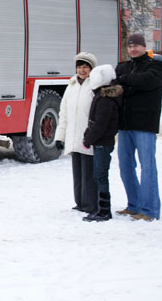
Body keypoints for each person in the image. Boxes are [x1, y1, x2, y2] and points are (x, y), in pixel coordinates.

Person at [115, 33, 162, 221]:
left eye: (137, 45)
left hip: (145, 124)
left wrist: (125, 81)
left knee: (147, 167)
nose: (133, 49)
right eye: (130, 46)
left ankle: (149, 209)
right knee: (125, 166)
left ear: (144, 47)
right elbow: (118, 83)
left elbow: (148, 81)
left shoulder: (156, 66)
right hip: (125, 125)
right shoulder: (124, 66)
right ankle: (134, 205)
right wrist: (130, 82)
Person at [54, 52, 98, 214]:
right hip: (74, 136)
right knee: (78, 173)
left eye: (85, 67)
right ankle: (79, 202)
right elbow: (63, 113)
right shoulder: (71, 86)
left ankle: (90, 203)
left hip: (88, 137)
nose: (82, 70)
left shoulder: (94, 85)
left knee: (88, 174)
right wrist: (60, 136)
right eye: (79, 67)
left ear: (91, 69)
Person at [81, 64, 123, 222]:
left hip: (102, 143)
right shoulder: (102, 96)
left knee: (100, 175)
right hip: (100, 142)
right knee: (99, 175)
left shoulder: (105, 99)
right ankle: (101, 208)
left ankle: (104, 210)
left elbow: (100, 124)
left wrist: (88, 139)